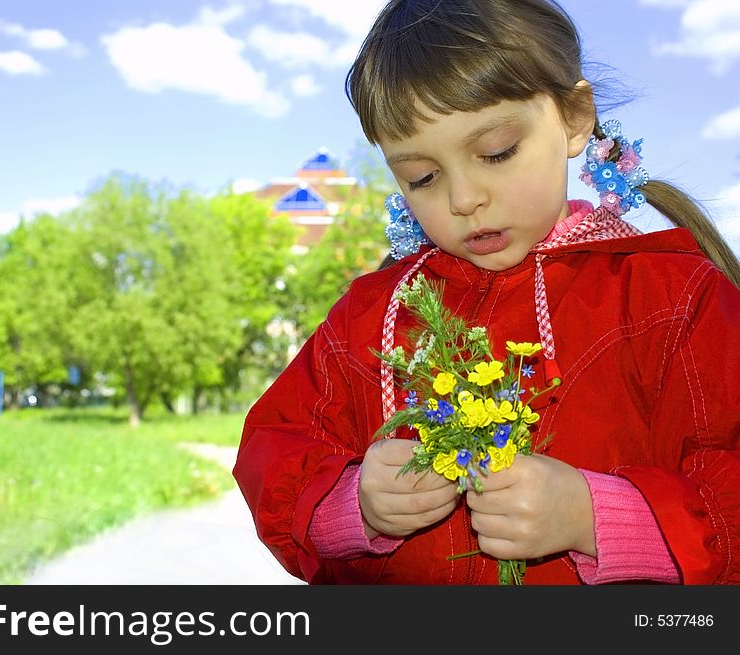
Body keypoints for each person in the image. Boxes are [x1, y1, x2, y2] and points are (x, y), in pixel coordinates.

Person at [233, 0, 740, 584]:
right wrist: (355, 504)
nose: (463, 197)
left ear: (574, 119)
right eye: (421, 177)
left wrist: (595, 517)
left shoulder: (671, 301)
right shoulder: (371, 318)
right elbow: (277, 448)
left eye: (497, 151)